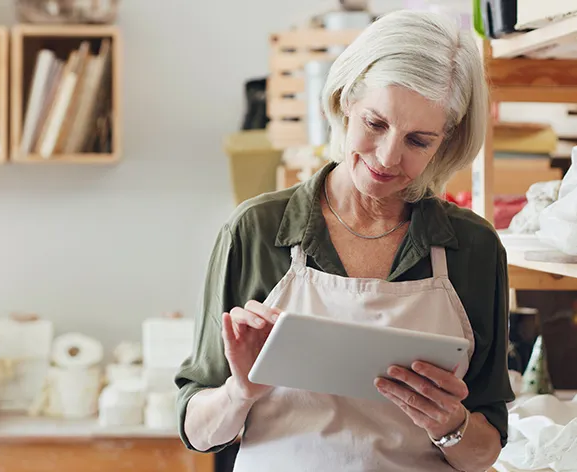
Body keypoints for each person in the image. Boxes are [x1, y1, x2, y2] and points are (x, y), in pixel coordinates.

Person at [175, 9, 515, 472]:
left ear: (446, 142)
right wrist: (241, 392)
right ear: (345, 101)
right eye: (375, 124)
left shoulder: (474, 248)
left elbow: (486, 448)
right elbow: (197, 432)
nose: (387, 157)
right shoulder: (256, 230)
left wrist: (450, 423)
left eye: (418, 140)